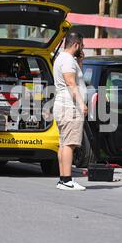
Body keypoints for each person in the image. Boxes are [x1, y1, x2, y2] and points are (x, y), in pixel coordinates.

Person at [53, 32, 88, 191]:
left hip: (64, 105)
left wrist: (79, 62)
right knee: (70, 144)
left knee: (63, 143)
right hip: (70, 106)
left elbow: (75, 78)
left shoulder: (64, 58)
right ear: (76, 44)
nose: (83, 47)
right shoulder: (67, 60)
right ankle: (66, 180)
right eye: (82, 45)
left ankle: (63, 178)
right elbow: (71, 83)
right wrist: (81, 104)